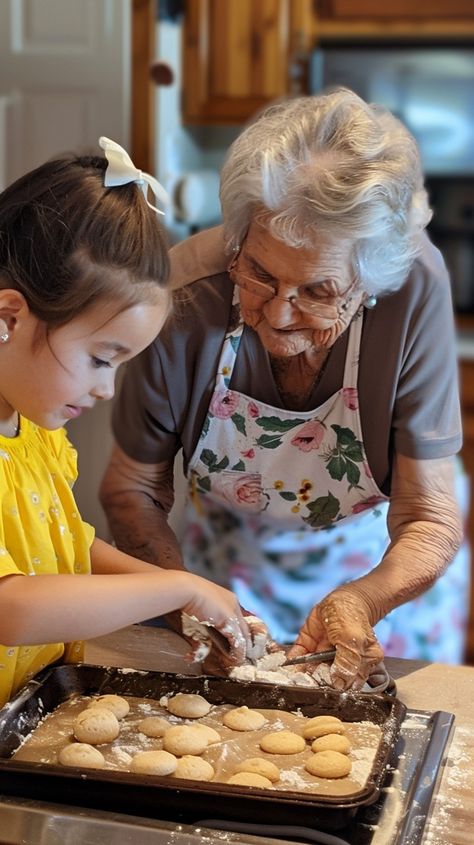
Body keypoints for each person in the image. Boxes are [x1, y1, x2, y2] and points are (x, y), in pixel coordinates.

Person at [100, 88, 469, 691]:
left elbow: (428, 517)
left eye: (319, 292)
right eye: (259, 275)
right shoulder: (182, 298)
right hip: (220, 570)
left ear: (369, 279)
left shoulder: (413, 288)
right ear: (237, 240)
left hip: (379, 578)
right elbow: (132, 490)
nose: (278, 314)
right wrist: (185, 603)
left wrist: (364, 602)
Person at [0, 137, 253, 708]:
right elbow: (10, 608)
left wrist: (180, 596)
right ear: (9, 316)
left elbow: (64, 543)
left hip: (27, 708)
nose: (106, 388)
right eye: (99, 358)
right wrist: (177, 585)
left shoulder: (32, 431)